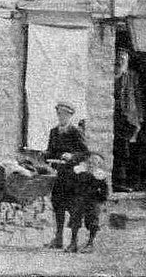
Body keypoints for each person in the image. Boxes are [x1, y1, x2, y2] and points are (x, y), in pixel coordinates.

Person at [45, 101, 90, 250]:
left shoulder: (75, 131)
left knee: (73, 208)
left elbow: (85, 153)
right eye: (59, 114)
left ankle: (74, 241)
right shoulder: (54, 132)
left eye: (64, 114)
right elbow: (51, 151)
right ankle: (58, 238)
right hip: (58, 175)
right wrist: (45, 155)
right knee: (58, 205)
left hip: (73, 176)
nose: (61, 117)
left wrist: (72, 156)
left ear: (70, 115)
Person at [66, 151, 109, 253]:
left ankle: (90, 243)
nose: (92, 163)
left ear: (99, 164)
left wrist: (100, 199)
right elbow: (71, 184)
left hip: (93, 199)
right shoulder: (79, 171)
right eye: (90, 161)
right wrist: (72, 195)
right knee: (75, 219)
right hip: (79, 198)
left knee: (92, 220)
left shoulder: (100, 175)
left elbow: (104, 190)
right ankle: (73, 242)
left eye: (96, 162)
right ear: (86, 161)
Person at [113, 49, 144, 192]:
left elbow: (137, 96)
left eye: (124, 58)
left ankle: (127, 181)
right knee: (119, 150)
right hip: (115, 117)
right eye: (119, 58)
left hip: (129, 118)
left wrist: (140, 117)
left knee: (127, 151)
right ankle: (118, 182)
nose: (121, 61)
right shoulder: (112, 74)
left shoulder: (132, 76)